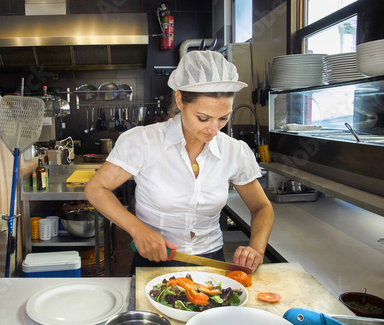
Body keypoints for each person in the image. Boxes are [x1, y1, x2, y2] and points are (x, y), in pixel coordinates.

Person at [84, 50, 274, 274]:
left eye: (223, 118)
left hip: (211, 262)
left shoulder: (234, 151)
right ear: (180, 100)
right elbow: (96, 188)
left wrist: (256, 248)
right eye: (203, 118)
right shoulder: (144, 141)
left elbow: (262, 207)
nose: (214, 129)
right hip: (154, 262)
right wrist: (139, 230)